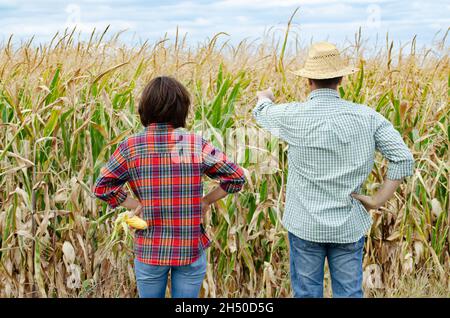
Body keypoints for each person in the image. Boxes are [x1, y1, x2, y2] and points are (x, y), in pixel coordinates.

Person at [253, 42, 414, 298]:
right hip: (348, 225)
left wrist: (264, 98)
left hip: (305, 224)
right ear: (341, 79)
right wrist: (376, 201)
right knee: (349, 293)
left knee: (306, 294)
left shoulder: (293, 115)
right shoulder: (367, 117)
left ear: (308, 80)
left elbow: (262, 114)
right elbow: (403, 159)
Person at [93, 76, 246, 298]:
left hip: (150, 248)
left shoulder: (130, 147)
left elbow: (102, 187)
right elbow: (237, 177)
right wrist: (206, 201)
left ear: (145, 108)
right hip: (189, 247)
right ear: (181, 109)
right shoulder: (194, 144)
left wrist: (135, 204)